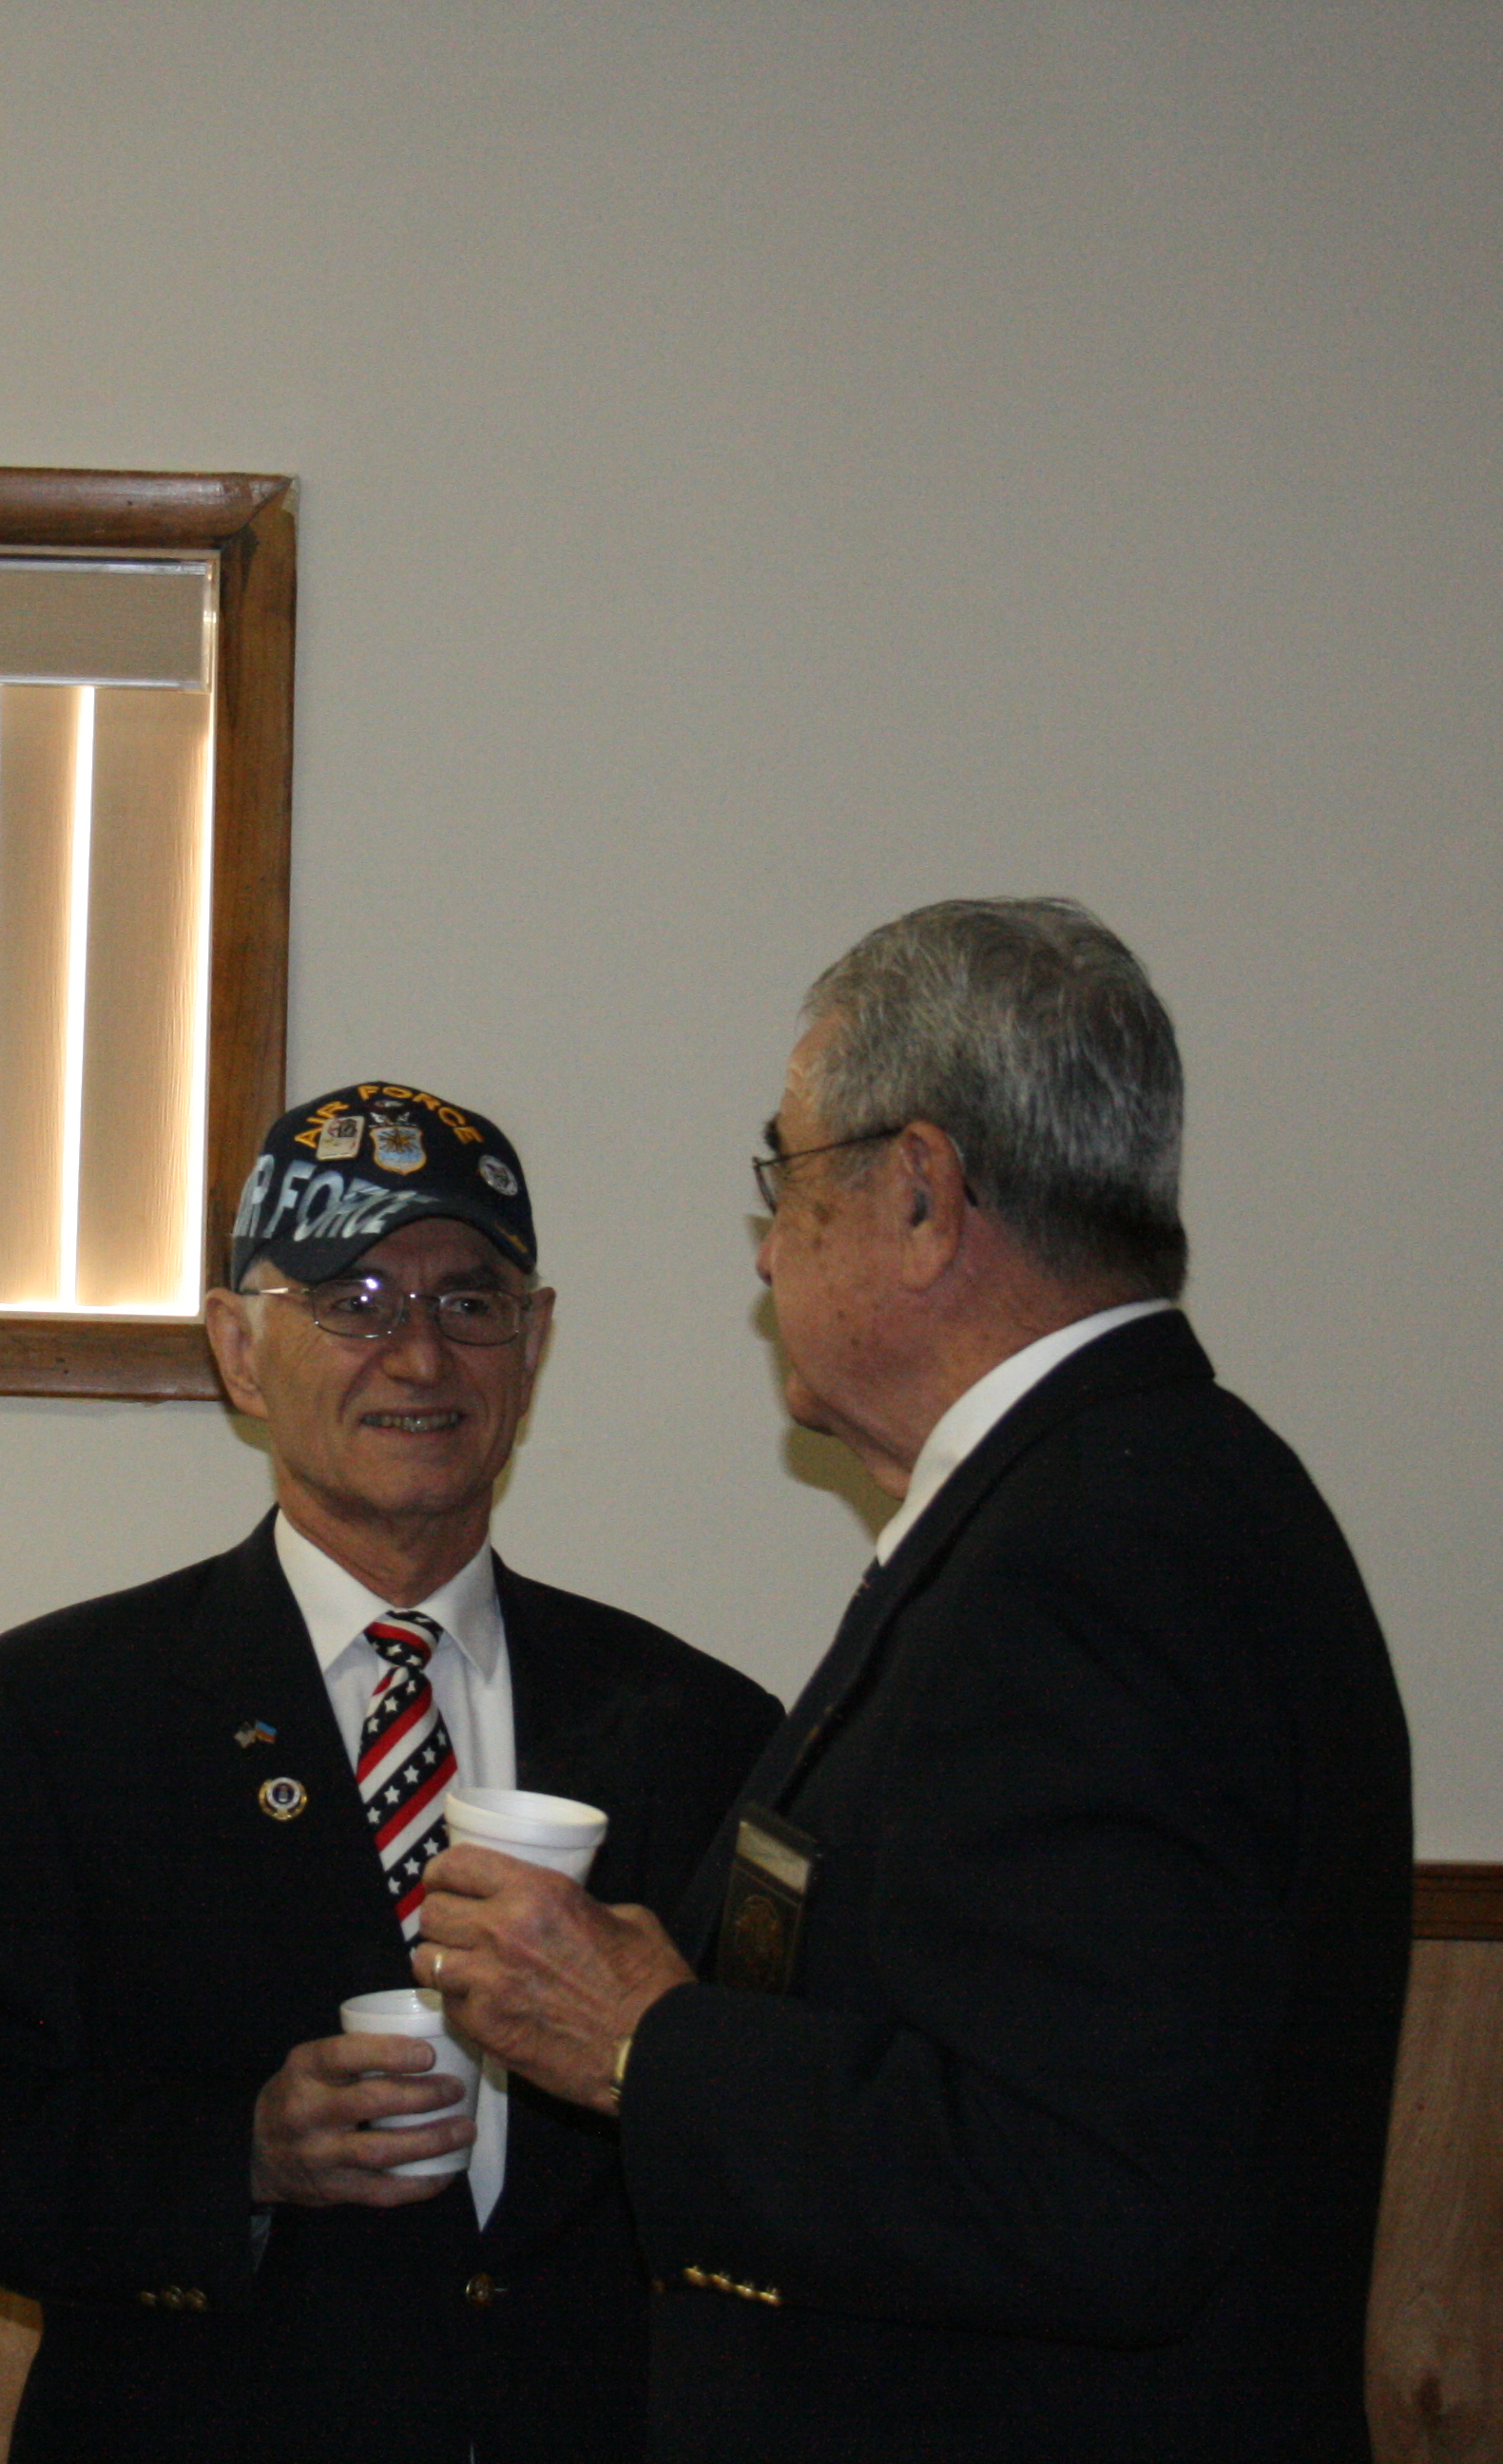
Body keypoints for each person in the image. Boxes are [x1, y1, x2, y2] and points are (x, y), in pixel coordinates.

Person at [418, 900, 1413, 2463]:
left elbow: (1096, 2186)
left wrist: (646, 2042)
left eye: (788, 1177)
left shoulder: (1093, 1555)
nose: (766, 1251)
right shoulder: (1115, 1493)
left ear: (923, 1193)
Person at [0, 1085, 780, 2463]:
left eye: (469, 1303)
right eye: (353, 1300)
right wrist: (239, 2156)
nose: (419, 1357)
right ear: (239, 1349)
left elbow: (764, 2144)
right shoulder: (57, 1713)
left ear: (534, 1345)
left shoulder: (700, 1723)